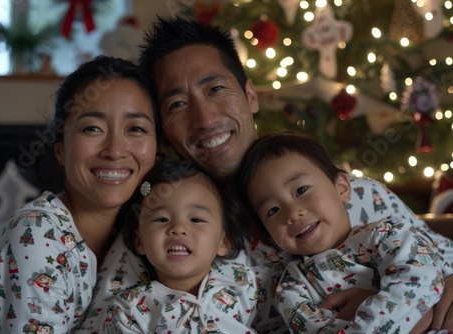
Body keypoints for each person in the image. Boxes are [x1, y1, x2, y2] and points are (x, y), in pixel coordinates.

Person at [81, 16, 453, 333]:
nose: (206, 118)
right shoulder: (160, 224)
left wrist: (392, 305)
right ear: (163, 128)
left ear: (250, 95)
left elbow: (437, 260)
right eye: (177, 104)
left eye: (216, 89)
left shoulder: (359, 197)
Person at [0, 56, 160, 333]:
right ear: (60, 149)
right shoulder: (36, 237)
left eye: (136, 128)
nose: (115, 150)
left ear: (157, 150)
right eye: (92, 128)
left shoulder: (144, 230)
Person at [237, 130, 448, 333]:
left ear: (342, 188)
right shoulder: (291, 290)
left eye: (301, 190)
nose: (292, 213)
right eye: (273, 210)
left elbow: (420, 280)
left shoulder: (387, 233)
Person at [97, 160, 258, 333]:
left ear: (223, 243)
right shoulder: (128, 311)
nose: (178, 228)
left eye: (196, 220)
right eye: (162, 219)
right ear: (140, 241)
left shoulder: (242, 282)